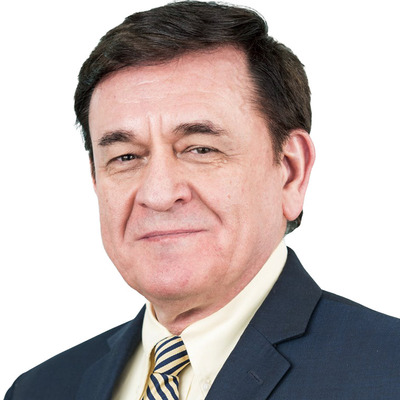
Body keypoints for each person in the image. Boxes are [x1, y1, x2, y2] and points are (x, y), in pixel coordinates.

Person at [5, 1, 400, 399]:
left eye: (201, 149)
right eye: (126, 157)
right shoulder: (39, 390)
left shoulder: (388, 372)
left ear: (290, 171)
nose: (158, 195)